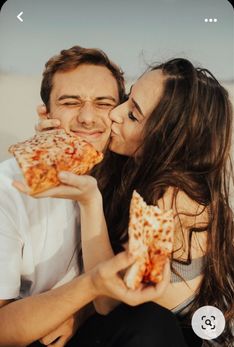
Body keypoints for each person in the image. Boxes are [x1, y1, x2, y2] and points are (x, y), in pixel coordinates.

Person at [32, 58, 234, 347]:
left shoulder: (172, 202)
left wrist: (89, 201)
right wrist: (60, 140)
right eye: (127, 98)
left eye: (133, 115)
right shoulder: (142, 167)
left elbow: (107, 300)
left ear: (166, 139)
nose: (115, 113)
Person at [0, 46, 187, 347]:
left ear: (118, 112)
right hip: (34, 335)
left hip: (97, 323)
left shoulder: (132, 172)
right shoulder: (8, 189)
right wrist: (85, 293)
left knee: (154, 322)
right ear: (45, 113)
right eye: (70, 102)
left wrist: (81, 310)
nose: (87, 118)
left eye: (103, 103)